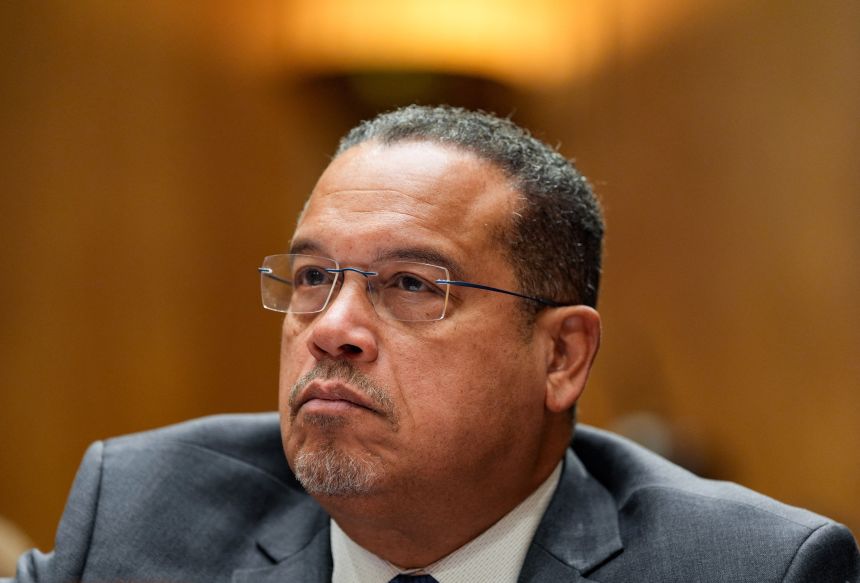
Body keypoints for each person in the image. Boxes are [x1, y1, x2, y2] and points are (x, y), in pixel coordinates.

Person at [6, 105, 859, 583]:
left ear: (561, 356)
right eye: (311, 278)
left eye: (412, 285)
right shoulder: (144, 515)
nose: (333, 329)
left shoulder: (751, 572)